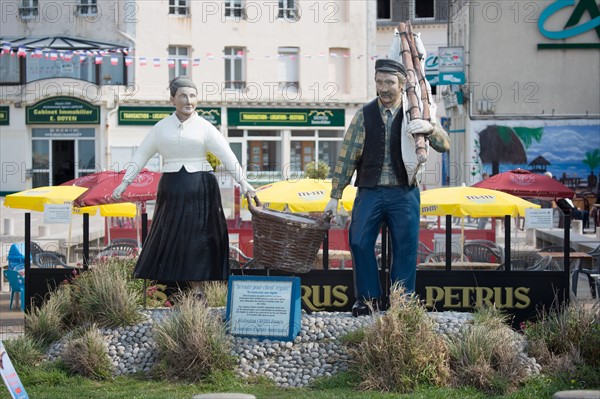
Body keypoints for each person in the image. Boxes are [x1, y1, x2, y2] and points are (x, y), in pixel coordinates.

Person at [324, 59, 450, 317]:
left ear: (402, 85)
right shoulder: (364, 114)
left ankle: (402, 300)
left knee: (405, 245)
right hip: (369, 191)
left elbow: (444, 144)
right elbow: (348, 155)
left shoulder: (415, 112)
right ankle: (368, 299)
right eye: (379, 81)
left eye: (389, 82)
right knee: (358, 241)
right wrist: (335, 195)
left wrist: (430, 128)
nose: (384, 87)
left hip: (404, 192)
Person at [112, 77, 255, 297]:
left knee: (199, 238)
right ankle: (172, 290)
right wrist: (124, 182)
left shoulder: (205, 126)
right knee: (172, 237)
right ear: (172, 99)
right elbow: (140, 155)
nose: (189, 101)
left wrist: (243, 181)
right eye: (183, 96)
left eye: (193, 96)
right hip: (172, 188)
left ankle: (198, 290)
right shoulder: (160, 128)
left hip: (201, 190)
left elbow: (226, 155)